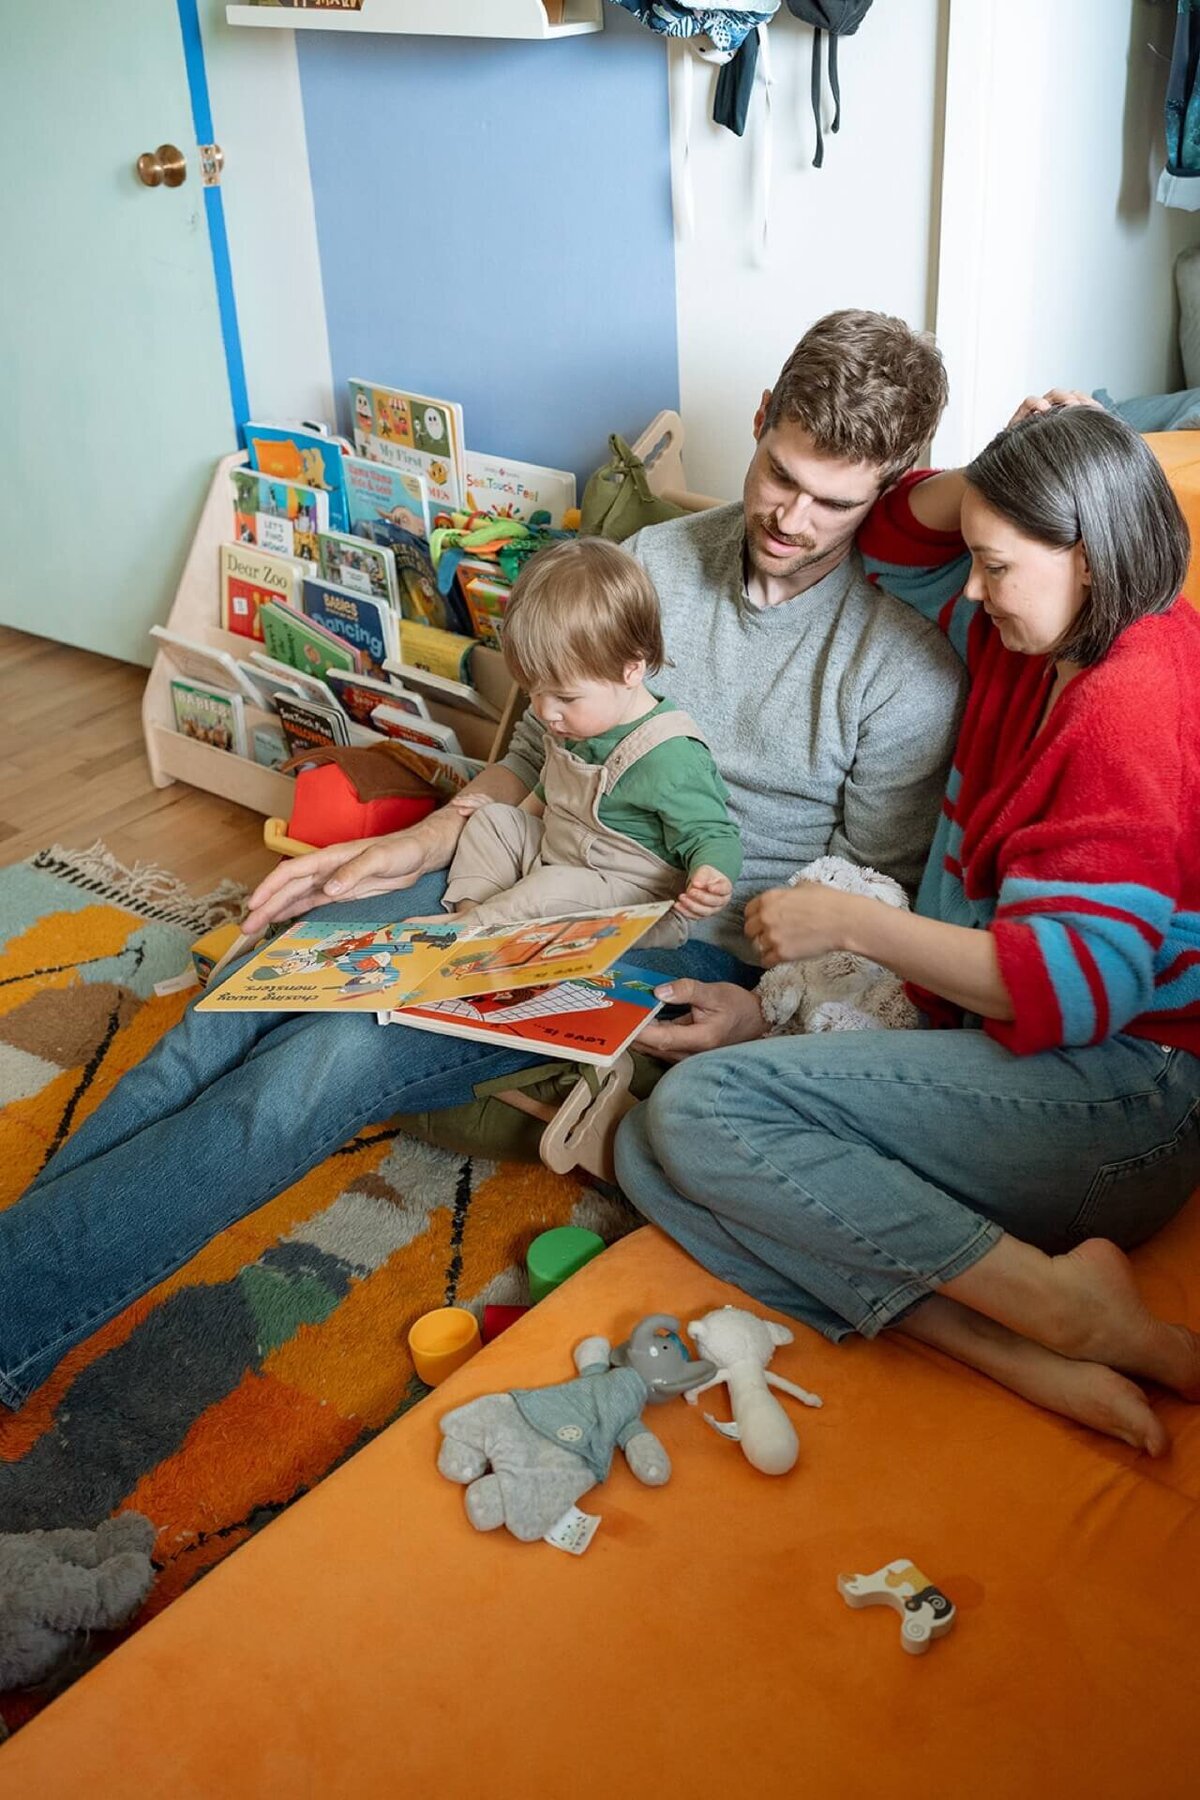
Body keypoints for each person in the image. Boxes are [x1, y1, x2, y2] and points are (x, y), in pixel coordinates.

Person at [0, 309, 966, 1412]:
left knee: (321, 1068)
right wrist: (421, 837)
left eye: (835, 501)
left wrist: (760, 1015)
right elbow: (527, 747)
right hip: (521, 853)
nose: (792, 519)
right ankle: (28, 1289)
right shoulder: (649, 563)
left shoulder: (902, 673)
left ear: (893, 486)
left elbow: (856, 907)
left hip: (668, 939)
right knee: (245, 988)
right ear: (759, 424)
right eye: (780, 474)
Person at [615, 401, 1200, 1456]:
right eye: (973, 556)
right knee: (646, 1152)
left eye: (995, 564)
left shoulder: (1130, 703)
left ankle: (1066, 1315)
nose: (968, 589)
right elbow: (893, 532)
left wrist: (850, 923)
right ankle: (1002, 1335)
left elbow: (1074, 992)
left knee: (703, 1114)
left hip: (1122, 1093)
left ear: (1090, 555)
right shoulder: (1032, 631)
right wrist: (1003, 463)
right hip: (990, 1054)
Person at [439, 536, 742, 947]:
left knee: (549, 888)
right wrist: (510, 815)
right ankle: (470, 913)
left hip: (630, 901)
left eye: (564, 697)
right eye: (533, 692)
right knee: (491, 822)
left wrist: (713, 874)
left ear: (631, 669)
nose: (545, 711)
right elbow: (553, 789)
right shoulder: (575, 725)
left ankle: (466, 935)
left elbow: (714, 834)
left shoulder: (670, 756)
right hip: (560, 856)